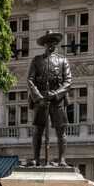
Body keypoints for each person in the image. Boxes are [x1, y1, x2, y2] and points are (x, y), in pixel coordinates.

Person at [27, 30, 72, 166]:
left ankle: (61, 159)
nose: (51, 44)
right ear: (45, 44)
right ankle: (35, 158)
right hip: (41, 100)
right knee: (38, 130)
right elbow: (30, 80)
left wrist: (56, 93)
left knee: (61, 130)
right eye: (49, 42)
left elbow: (68, 81)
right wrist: (39, 97)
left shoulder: (63, 60)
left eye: (54, 42)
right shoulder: (37, 60)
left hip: (57, 100)